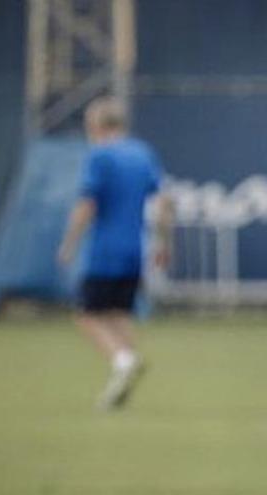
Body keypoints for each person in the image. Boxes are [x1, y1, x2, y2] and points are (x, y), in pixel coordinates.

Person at [57, 96, 173, 410]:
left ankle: (124, 361)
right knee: (118, 314)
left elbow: (87, 204)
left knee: (87, 314)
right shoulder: (142, 153)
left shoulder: (100, 156)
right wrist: (163, 243)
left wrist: (68, 243)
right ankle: (121, 379)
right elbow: (163, 201)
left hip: (104, 251)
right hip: (136, 249)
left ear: (96, 126)